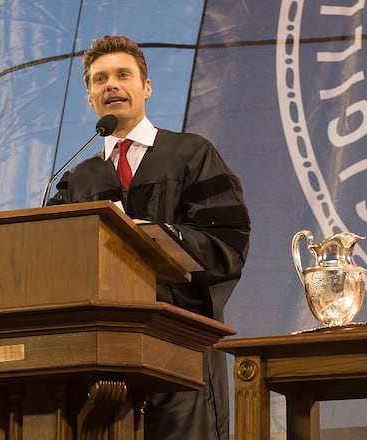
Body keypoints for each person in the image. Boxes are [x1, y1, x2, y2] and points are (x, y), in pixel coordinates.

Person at [47, 35, 251, 439]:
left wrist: (154, 237)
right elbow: (53, 259)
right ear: (90, 97)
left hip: (181, 349)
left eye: (123, 74)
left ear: (146, 87)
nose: (111, 85)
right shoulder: (76, 178)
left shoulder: (192, 155)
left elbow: (228, 243)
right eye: (100, 79)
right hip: (102, 358)